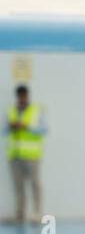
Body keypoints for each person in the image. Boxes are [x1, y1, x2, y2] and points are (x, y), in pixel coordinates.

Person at [6, 84, 46, 225]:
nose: (22, 98)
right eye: (20, 96)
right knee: (18, 186)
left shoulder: (36, 110)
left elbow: (44, 129)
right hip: (15, 155)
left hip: (32, 155)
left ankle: (37, 213)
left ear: (27, 95)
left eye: (24, 95)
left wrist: (26, 127)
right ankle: (20, 214)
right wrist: (10, 127)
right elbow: (4, 131)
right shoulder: (11, 111)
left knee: (35, 184)